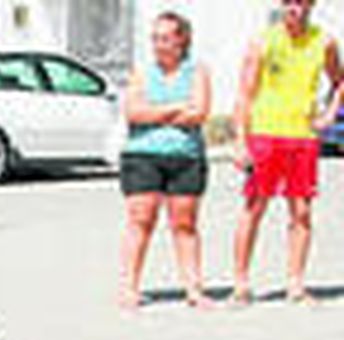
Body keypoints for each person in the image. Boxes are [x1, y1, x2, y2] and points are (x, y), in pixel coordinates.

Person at [231, 0, 344, 305]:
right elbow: (244, 93)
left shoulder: (325, 41)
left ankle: (295, 283)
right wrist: (240, 140)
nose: (294, 8)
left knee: (302, 213)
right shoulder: (263, 41)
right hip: (265, 133)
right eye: (289, 2)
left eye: (301, 2)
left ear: (311, 5)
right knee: (254, 208)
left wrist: (330, 113)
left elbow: (339, 80)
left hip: (303, 137)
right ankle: (241, 283)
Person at [119, 11, 213, 310]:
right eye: (155, 38)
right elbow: (134, 113)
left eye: (166, 38)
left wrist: (155, 112)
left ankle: (194, 289)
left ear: (182, 39)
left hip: (186, 156)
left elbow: (198, 112)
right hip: (142, 155)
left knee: (184, 224)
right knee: (141, 220)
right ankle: (129, 288)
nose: (159, 45)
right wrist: (174, 109)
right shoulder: (141, 73)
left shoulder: (196, 72)